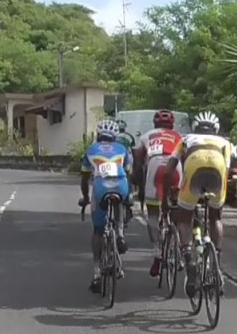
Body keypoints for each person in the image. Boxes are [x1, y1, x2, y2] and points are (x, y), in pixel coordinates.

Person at [165, 111, 237, 297]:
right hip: (218, 169)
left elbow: (169, 169)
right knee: (215, 218)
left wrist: (167, 195)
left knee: (184, 218)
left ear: (195, 127)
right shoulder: (226, 142)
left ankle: (189, 258)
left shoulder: (186, 139)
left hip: (194, 167)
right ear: (216, 129)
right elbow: (234, 169)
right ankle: (216, 265)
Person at [78, 119, 134, 294]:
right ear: (115, 136)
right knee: (122, 201)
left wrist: (86, 197)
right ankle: (120, 234)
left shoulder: (91, 149)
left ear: (99, 134)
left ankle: (96, 273)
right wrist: (130, 196)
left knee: (98, 230)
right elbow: (129, 173)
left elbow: (84, 178)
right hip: (121, 184)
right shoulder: (123, 149)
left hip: (100, 187)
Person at [134, 109, 184, 277]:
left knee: (153, 214)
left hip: (155, 167)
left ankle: (157, 252)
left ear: (155, 124)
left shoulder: (147, 136)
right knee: (178, 208)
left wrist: (139, 186)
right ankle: (178, 246)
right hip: (175, 166)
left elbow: (138, 162)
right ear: (172, 124)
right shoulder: (179, 137)